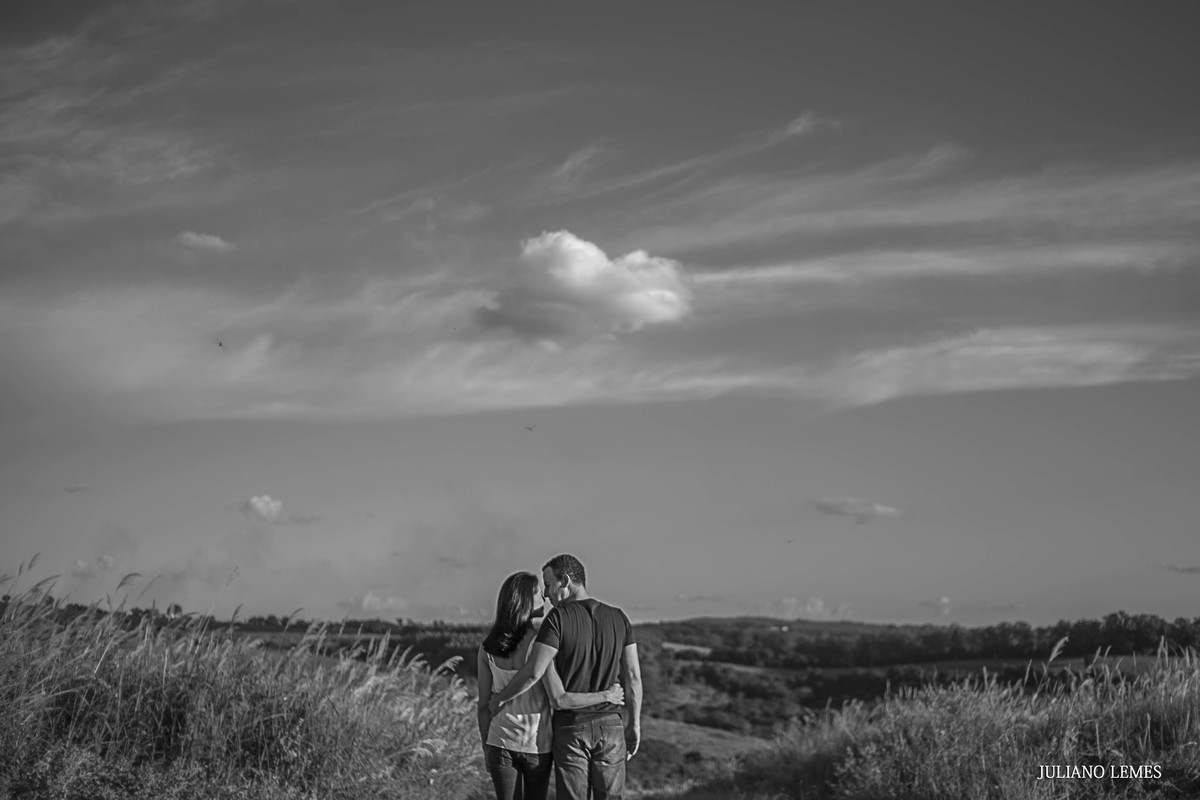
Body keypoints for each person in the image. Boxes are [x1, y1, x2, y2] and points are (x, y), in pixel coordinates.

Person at [489, 555, 642, 800]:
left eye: (548, 585)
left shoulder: (557, 619)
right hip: (612, 723)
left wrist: (500, 699)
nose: (547, 594)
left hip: (571, 727)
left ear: (566, 581)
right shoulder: (619, 618)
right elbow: (633, 676)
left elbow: (533, 672)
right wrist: (634, 723)